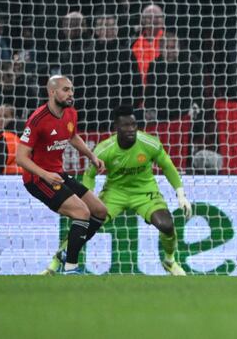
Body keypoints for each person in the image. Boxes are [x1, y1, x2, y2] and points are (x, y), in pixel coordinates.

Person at [42, 105, 192, 276]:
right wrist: (87, 198)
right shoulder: (105, 149)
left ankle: (169, 261)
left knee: (166, 225)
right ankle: (54, 263)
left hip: (144, 192)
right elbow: (89, 175)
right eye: (125, 126)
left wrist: (181, 194)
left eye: (133, 125)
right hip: (114, 193)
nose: (131, 130)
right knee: (85, 224)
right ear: (116, 127)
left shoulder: (149, 143)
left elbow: (167, 166)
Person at [16, 75, 107, 275]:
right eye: (66, 90)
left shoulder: (70, 113)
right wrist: (46, 175)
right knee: (82, 212)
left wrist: (91, 156)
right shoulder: (37, 119)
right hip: (38, 179)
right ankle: (71, 267)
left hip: (58, 174)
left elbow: (73, 136)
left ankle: (66, 253)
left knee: (100, 211)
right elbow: (20, 158)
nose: (70, 94)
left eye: (72, 90)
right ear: (52, 92)